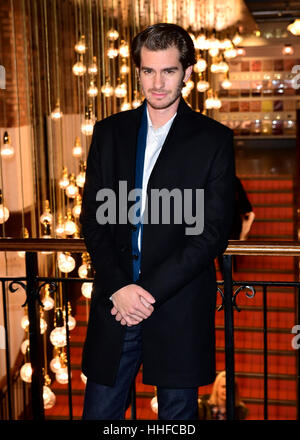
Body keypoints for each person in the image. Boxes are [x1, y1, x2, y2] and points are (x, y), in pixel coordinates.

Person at [80, 22, 235, 420]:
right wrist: (120, 288)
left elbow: (211, 233)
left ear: (187, 72)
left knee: (177, 419)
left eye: (168, 70)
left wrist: (144, 293)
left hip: (177, 303)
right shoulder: (108, 132)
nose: (158, 83)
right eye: (148, 71)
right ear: (137, 73)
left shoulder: (212, 139)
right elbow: (94, 222)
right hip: (116, 303)